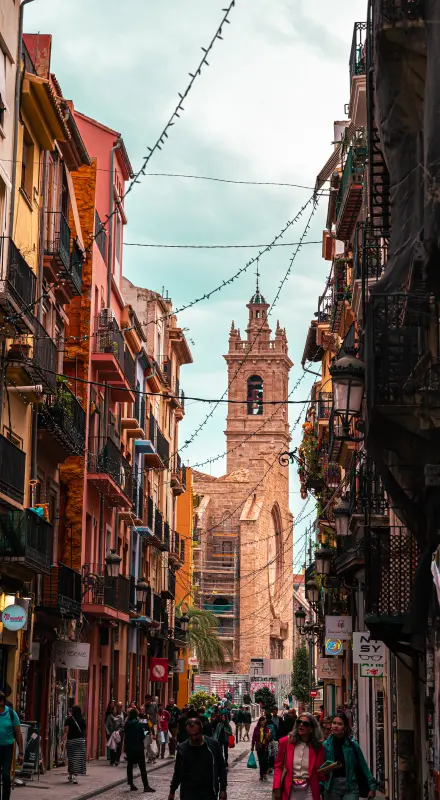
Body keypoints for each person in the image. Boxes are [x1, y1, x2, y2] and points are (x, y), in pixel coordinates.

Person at [168, 717, 227, 800]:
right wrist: (172, 791)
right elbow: (178, 772)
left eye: (196, 734)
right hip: (189, 793)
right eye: (190, 735)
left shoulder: (212, 745)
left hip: (209, 792)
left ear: (201, 730)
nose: (193, 738)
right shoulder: (182, 749)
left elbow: (221, 767)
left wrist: (223, 789)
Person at [273, 712, 325, 800]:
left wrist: (326, 772)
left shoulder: (318, 747)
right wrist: (277, 785)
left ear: (311, 729)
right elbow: (278, 766)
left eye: (305, 724)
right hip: (290, 789)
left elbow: (320, 772)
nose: (301, 725)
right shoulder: (285, 742)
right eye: (299, 722)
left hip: (309, 789)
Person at [323, 713, 376, 800]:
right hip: (332, 786)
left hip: (350, 786)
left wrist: (372, 786)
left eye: (339, 724)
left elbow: (364, 766)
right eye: (334, 723)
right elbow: (322, 767)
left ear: (345, 727)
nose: (336, 726)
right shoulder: (326, 745)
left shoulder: (352, 745)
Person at [124, 708, 155, 793]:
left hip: (130, 748)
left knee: (129, 766)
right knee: (142, 768)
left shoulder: (127, 724)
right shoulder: (139, 724)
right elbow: (142, 736)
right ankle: (146, 785)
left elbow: (125, 736)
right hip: (138, 748)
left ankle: (131, 784)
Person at [0, 691, 22, 800]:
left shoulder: (12, 714)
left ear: (2, 702)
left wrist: (21, 752)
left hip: (7, 748)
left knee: (6, 774)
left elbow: (18, 734)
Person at [62, 705, 86, 785]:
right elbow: (84, 731)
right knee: (78, 760)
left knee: (71, 759)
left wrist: (62, 742)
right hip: (80, 741)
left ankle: (70, 775)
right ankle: (74, 777)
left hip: (71, 741)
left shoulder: (68, 720)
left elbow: (66, 731)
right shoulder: (82, 720)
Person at [251, 715, 271, 781]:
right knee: (260, 761)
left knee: (265, 760)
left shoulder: (267, 728)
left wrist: (268, 735)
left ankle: (264, 773)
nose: (263, 722)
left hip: (265, 747)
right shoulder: (256, 728)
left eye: (264, 721)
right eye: (262, 720)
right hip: (259, 747)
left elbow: (269, 738)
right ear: (260, 721)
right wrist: (252, 746)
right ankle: (261, 775)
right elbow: (254, 738)